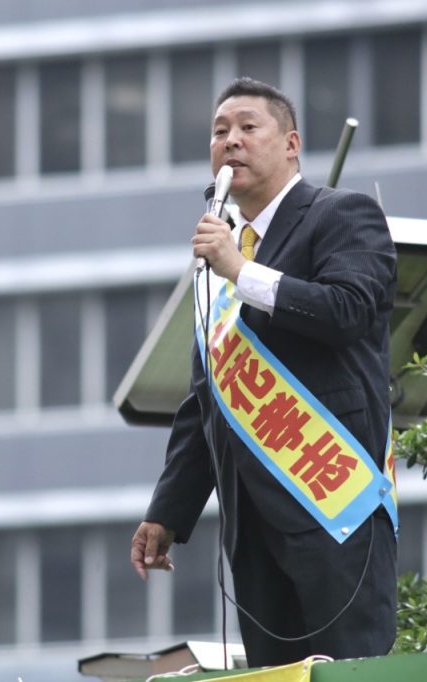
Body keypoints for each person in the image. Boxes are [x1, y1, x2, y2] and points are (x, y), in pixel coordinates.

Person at [130, 78, 398, 667]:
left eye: (249, 128)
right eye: (219, 132)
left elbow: (348, 310)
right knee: (274, 676)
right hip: (250, 519)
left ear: (291, 143)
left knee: (352, 672)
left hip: (334, 500)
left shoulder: (341, 214)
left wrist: (240, 270)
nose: (231, 142)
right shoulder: (220, 259)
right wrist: (167, 512)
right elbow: (208, 400)